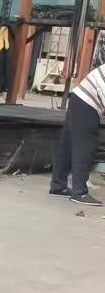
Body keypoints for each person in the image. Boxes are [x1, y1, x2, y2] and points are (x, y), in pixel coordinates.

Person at [49, 65, 105, 206]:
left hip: (78, 97)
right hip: (88, 102)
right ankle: (79, 192)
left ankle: (58, 186)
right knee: (85, 146)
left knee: (67, 145)